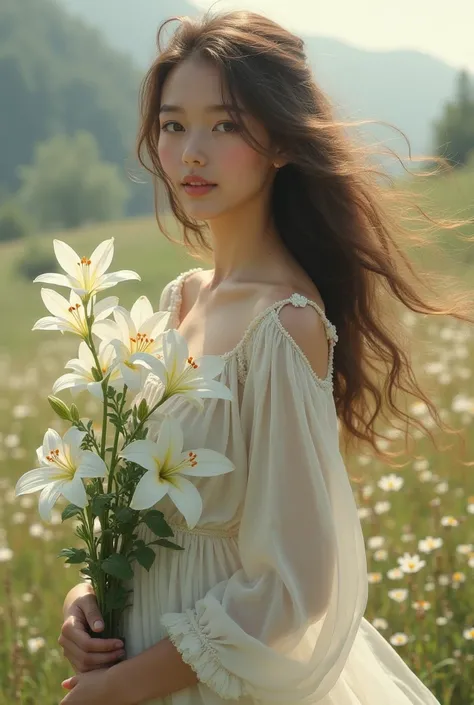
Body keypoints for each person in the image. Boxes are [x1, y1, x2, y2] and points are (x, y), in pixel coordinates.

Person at [57, 10, 472, 705]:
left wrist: (117, 688)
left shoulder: (284, 326)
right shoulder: (176, 304)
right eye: (173, 124)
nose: (193, 152)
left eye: (225, 125)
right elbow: (152, 515)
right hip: (136, 667)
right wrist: (86, 596)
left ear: (280, 140)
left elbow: (295, 588)